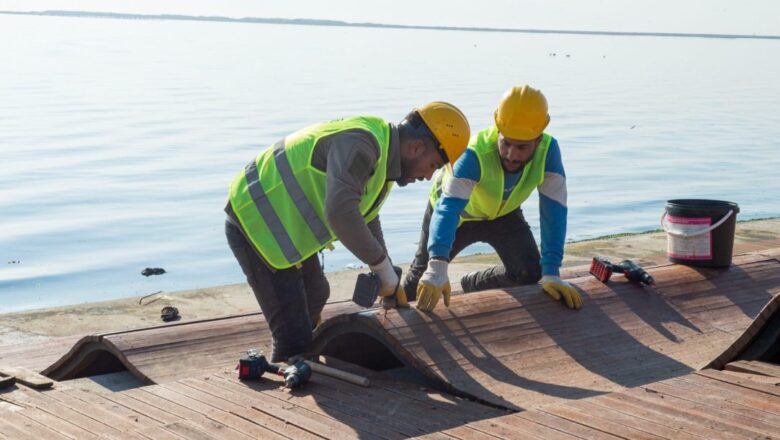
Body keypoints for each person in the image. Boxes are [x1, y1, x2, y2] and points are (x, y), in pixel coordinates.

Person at [225, 102, 470, 362]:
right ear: (417, 147)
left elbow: (367, 216)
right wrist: (381, 268)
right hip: (255, 221)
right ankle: (289, 371)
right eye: (433, 165)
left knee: (317, 295)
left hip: (282, 225)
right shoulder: (362, 145)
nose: (429, 176)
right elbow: (341, 214)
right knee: (293, 338)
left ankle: (298, 362)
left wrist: (386, 268)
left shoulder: (382, 156)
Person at [402, 85, 582, 312]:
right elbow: (447, 210)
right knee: (419, 284)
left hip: (503, 215)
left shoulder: (549, 152)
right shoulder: (474, 154)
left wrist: (552, 272)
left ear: (538, 139)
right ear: (497, 129)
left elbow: (554, 211)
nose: (511, 154)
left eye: (522, 147)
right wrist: (437, 265)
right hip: (457, 217)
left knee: (531, 273)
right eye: (506, 142)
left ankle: (474, 283)